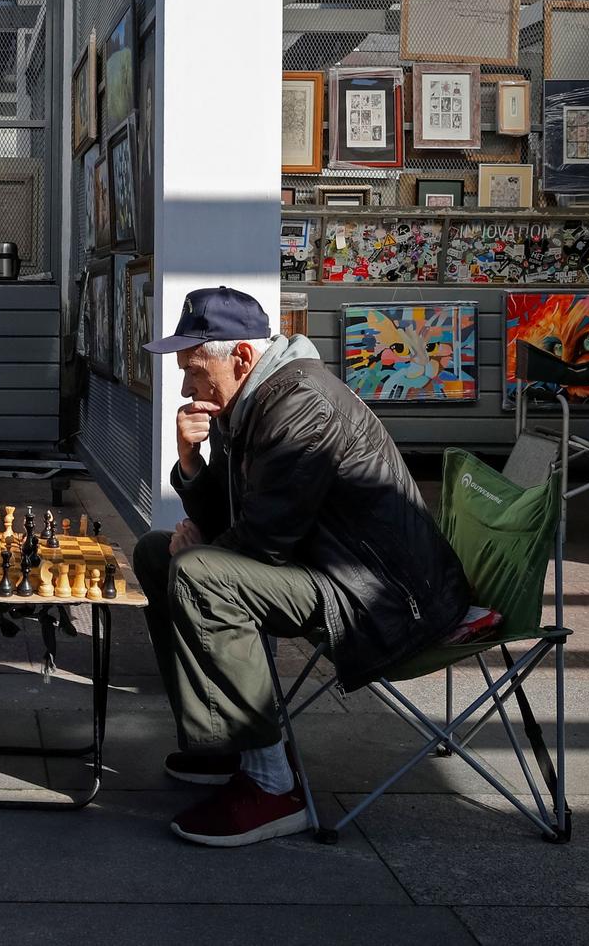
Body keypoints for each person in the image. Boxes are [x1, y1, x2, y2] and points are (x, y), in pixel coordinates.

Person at [133, 287, 470, 847]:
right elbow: (231, 515)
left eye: (194, 370)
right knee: (154, 552)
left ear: (241, 358)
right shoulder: (245, 402)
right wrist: (189, 462)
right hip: (325, 569)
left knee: (198, 575)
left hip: (382, 595)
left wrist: (200, 549)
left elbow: (264, 539)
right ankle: (226, 743)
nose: (188, 388)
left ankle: (272, 786)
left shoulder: (300, 403)